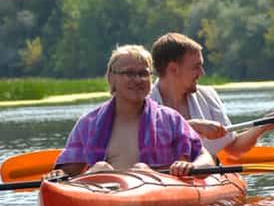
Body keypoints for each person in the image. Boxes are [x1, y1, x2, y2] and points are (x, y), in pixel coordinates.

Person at [50, 45, 215, 178]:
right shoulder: (88, 123)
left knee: (141, 169)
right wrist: (59, 174)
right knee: (100, 167)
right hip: (104, 192)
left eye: (143, 74)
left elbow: (206, 158)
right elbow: (68, 171)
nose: (137, 80)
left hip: (155, 191)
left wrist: (192, 166)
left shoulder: (171, 119)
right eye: (129, 73)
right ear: (111, 78)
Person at [149, 33, 274, 160]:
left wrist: (263, 125)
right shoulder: (142, 103)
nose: (202, 73)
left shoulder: (208, 96)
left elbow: (233, 148)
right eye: (196, 67)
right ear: (173, 69)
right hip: (159, 177)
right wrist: (194, 126)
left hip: (203, 175)